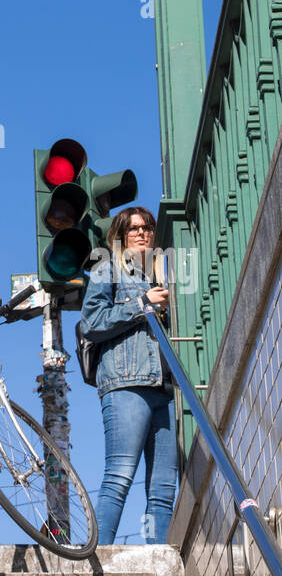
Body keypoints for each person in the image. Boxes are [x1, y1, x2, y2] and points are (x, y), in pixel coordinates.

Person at [80, 206, 177, 545]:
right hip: (125, 384)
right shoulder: (109, 270)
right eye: (133, 228)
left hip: (163, 387)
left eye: (147, 228)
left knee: (164, 485)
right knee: (119, 475)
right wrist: (142, 304)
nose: (141, 233)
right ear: (120, 236)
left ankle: (158, 558)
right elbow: (91, 323)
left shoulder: (161, 276)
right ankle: (99, 553)